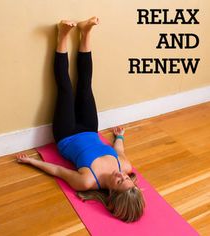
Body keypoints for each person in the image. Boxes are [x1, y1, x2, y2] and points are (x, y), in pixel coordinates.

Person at [16, 17, 145, 222]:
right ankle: (86, 33)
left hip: (66, 135)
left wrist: (32, 161)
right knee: (85, 85)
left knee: (66, 89)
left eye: (120, 182)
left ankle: (63, 34)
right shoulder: (125, 167)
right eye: (128, 180)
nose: (122, 176)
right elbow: (119, 151)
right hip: (89, 128)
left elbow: (59, 170)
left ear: (111, 194)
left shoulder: (87, 182)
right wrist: (119, 137)